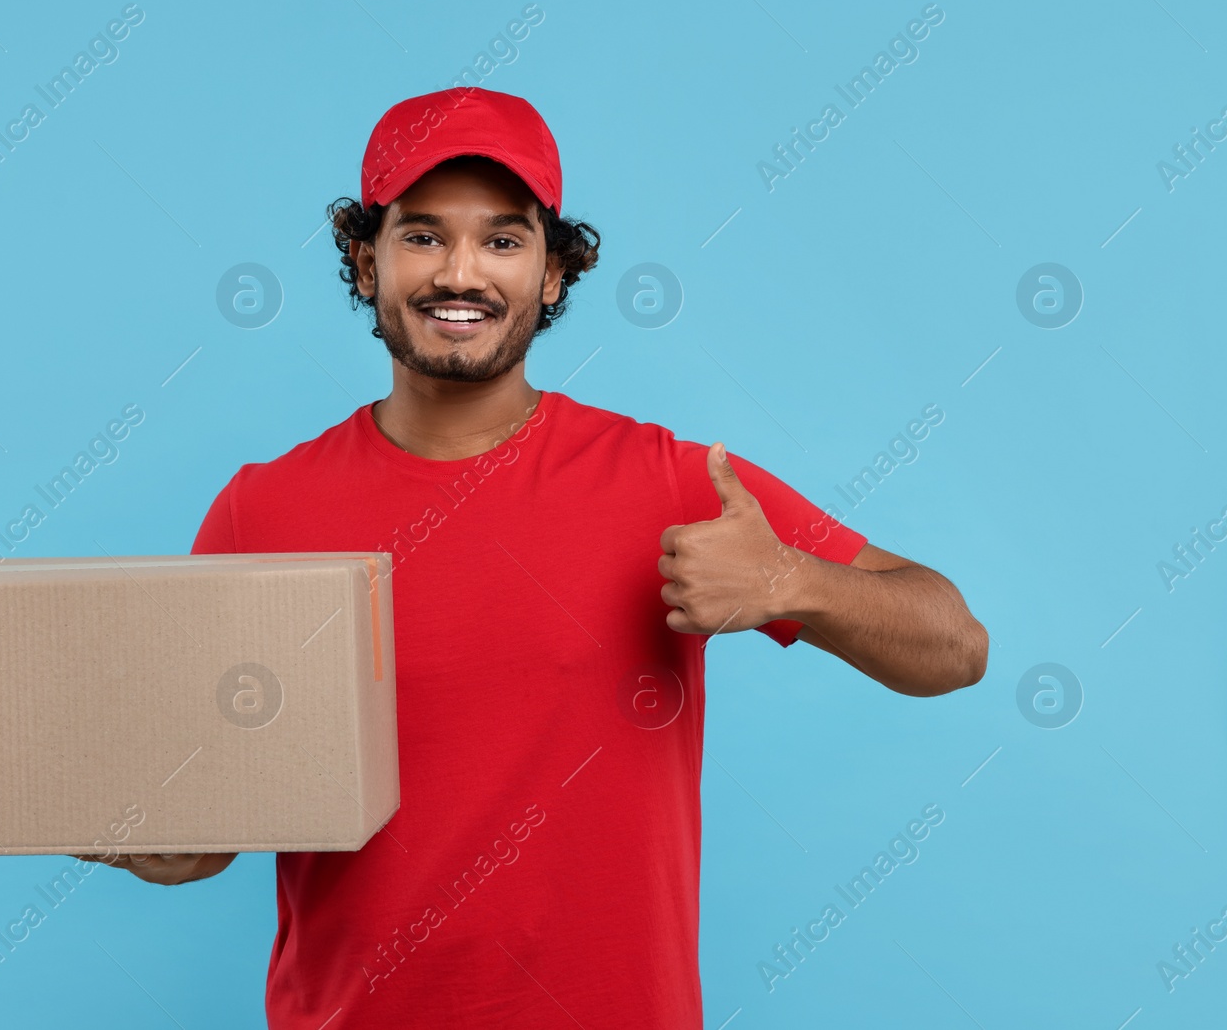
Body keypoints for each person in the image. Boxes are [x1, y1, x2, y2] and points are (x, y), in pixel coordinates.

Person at [81, 87, 989, 1028]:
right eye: (422, 236)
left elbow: (956, 645)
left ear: (554, 273)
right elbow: (195, 843)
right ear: (366, 262)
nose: (459, 272)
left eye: (504, 241)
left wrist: (790, 581)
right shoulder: (262, 511)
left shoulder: (671, 483)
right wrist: (58, 793)